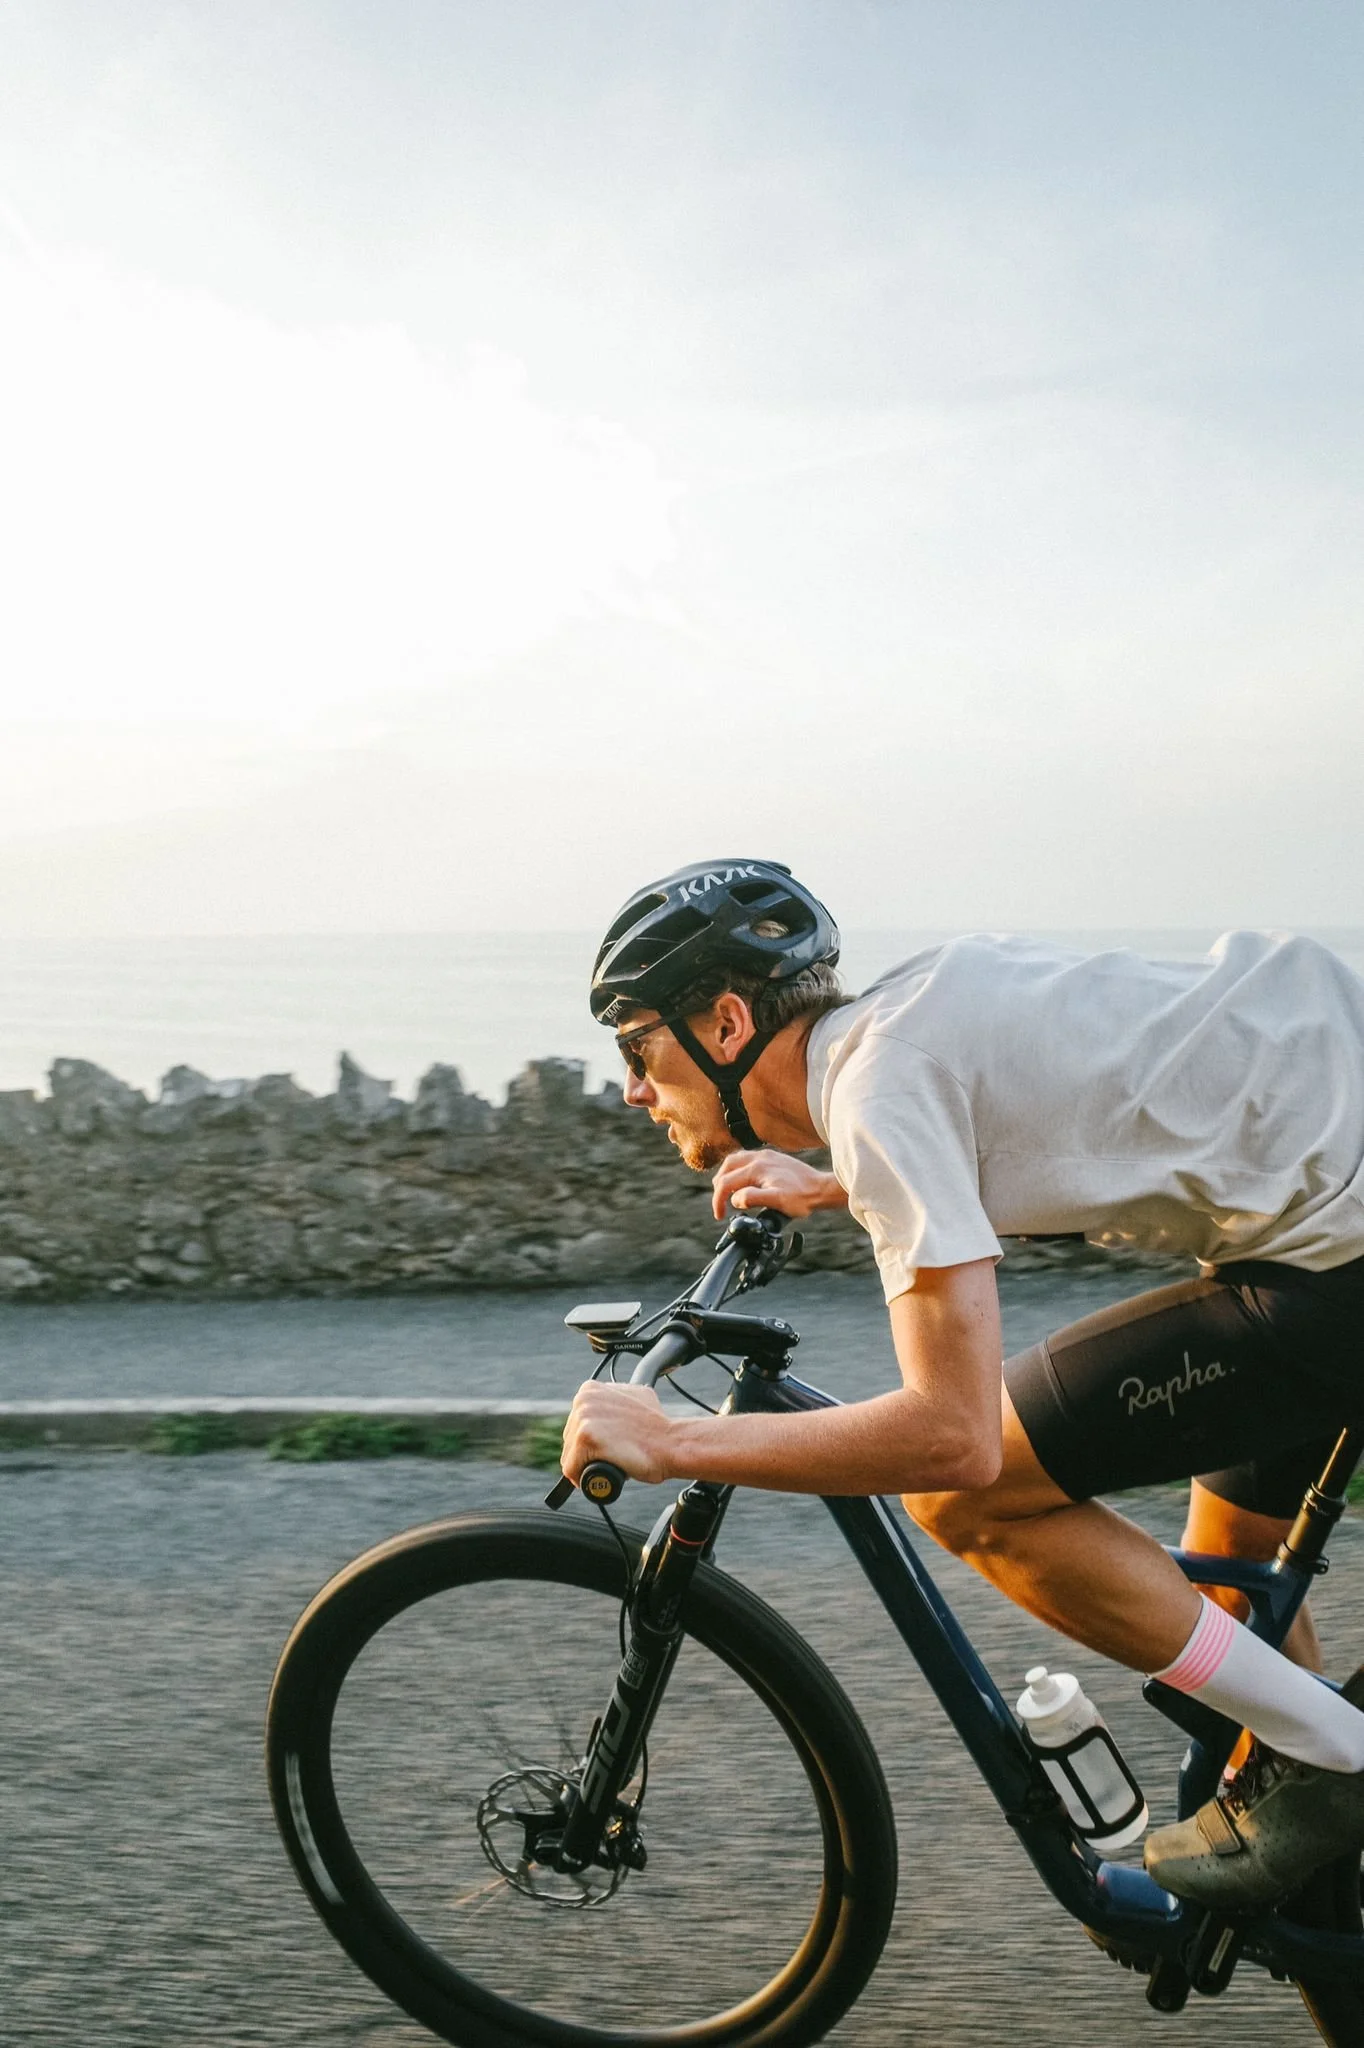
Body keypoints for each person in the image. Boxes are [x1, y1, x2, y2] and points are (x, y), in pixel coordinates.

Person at [561, 857, 1364, 1911]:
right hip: (1320, 1190)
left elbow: (950, 1438)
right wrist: (841, 1178)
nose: (628, 1083)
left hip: (1332, 1255)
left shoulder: (879, 1088)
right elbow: (1058, 1100)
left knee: (965, 1497)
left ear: (722, 1024)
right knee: (1227, 1593)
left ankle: (1340, 1758)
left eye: (637, 1044)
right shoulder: (906, 1015)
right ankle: (1318, 1878)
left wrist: (671, 1440)